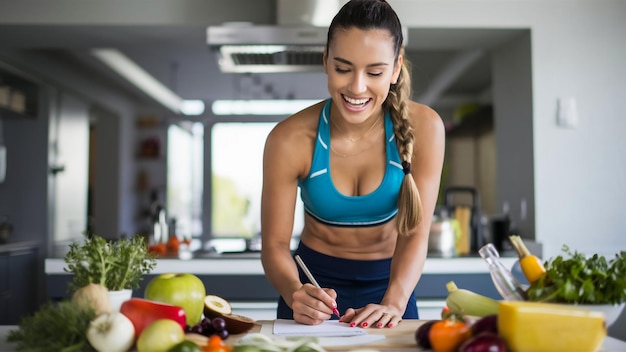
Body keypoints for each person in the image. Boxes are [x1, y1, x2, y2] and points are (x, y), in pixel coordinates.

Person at [260, 0, 445, 329]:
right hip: (312, 288)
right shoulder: (289, 139)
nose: (357, 87)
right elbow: (274, 245)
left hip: (392, 288)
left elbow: (415, 234)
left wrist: (394, 301)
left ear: (395, 68)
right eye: (343, 68)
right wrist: (294, 292)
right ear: (326, 62)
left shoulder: (426, 128)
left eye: (374, 72)